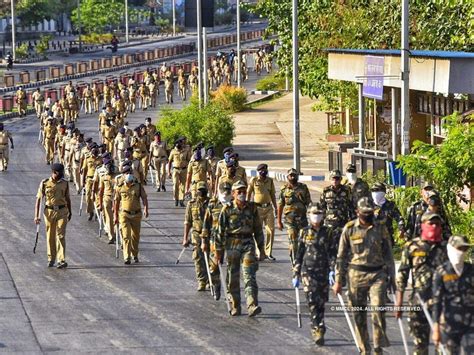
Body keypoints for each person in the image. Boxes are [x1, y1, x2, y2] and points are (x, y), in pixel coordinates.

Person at [333, 197, 395, 355]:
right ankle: (364, 349)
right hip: (356, 274)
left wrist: (393, 277)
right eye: (365, 212)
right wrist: (338, 280)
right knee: (358, 314)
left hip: (377, 274)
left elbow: (388, 253)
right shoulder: (349, 229)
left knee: (378, 309)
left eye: (370, 212)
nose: (368, 215)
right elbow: (341, 256)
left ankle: (377, 345)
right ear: (357, 212)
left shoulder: (380, 228)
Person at [395, 212, 448, 355]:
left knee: (443, 346)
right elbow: (402, 275)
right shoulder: (412, 246)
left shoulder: (446, 248)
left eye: (437, 224)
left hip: (442, 303)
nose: (435, 226)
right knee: (420, 346)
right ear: (422, 225)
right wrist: (399, 302)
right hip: (418, 302)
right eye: (431, 223)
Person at [215, 181, 265, 317]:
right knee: (233, 277)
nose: (242, 194)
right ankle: (235, 305)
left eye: (244, 191)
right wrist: (218, 253)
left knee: (249, 274)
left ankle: (252, 304)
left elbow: (258, 229)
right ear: (233, 194)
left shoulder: (252, 208)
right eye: (239, 192)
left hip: (248, 243)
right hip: (232, 244)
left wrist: (262, 249)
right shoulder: (227, 209)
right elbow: (219, 232)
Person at [293, 203, 335, 345]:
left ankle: (320, 324)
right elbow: (299, 253)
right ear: (308, 215)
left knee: (321, 301)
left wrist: (333, 270)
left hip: (323, 271)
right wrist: (296, 272)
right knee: (311, 300)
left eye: (318, 213)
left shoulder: (328, 232)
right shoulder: (304, 232)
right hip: (308, 271)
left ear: (322, 215)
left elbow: (333, 253)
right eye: (313, 213)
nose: (316, 216)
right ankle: (316, 327)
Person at [432, 235, 473, 355]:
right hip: (449, 325)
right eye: (459, 248)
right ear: (451, 249)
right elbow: (437, 301)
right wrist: (436, 328)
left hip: (470, 324)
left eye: (464, 249)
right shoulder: (442, 272)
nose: (462, 252)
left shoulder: (471, 270)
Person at [34, 163, 72, 268]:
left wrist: (70, 211)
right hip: (49, 212)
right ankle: (51, 258)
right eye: (60, 172)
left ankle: (61, 259)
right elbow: (39, 199)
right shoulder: (45, 183)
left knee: (61, 235)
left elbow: (68, 198)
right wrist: (36, 216)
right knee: (50, 235)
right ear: (54, 172)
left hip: (62, 211)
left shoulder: (65, 183)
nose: (62, 174)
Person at [202, 182, 233, 300]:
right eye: (223, 190)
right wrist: (204, 241)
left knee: (232, 267)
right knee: (214, 267)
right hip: (215, 240)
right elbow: (206, 223)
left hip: (231, 240)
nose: (225, 193)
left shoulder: (234, 204)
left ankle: (230, 292)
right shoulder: (213, 204)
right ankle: (216, 284)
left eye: (228, 190)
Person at [113, 166, 149, 264]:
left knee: (135, 236)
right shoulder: (120, 187)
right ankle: (127, 257)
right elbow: (116, 202)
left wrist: (146, 209)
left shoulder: (138, 186)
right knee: (126, 236)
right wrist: (115, 216)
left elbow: (144, 198)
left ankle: (135, 254)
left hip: (136, 214)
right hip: (124, 214)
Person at [277, 168, 312, 263]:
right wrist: (279, 221)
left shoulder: (303, 187)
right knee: (293, 243)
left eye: (294, 175)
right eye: (290, 175)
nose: (292, 177)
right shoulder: (284, 189)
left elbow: (309, 203)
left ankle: (302, 262)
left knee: (304, 242)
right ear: (287, 177)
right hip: (290, 221)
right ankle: (295, 263)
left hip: (302, 221)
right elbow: (280, 205)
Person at [183, 182, 210, 291]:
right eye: (200, 190)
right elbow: (187, 221)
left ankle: (210, 279)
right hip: (196, 233)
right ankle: (201, 281)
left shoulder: (211, 203)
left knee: (210, 258)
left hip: (210, 234)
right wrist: (185, 238)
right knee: (198, 257)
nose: (201, 192)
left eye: (203, 190)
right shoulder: (191, 203)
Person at [247, 163, 277, 260]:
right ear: (258, 171)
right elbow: (248, 193)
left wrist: (276, 208)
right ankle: (259, 253)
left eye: (265, 169)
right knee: (258, 231)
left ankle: (268, 253)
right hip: (257, 208)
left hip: (268, 208)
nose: (264, 171)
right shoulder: (254, 180)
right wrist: (247, 207)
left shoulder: (270, 181)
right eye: (261, 170)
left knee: (271, 230)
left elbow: (273, 195)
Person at [319, 169, 352, 257]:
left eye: (337, 179)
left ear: (340, 179)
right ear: (330, 179)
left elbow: (351, 206)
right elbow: (322, 207)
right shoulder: (326, 191)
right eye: (333, 179)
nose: (335, 181)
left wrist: (352, 221)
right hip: (330, 223)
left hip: (343, 222)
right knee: (330, 245)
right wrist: (320, 224)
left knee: (343, 245)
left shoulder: (346, 190)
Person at [98, 157, 117, 244]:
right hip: (107, 198)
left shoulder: (118, 177)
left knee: (116, 218)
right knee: (109, 218)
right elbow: (101, 191)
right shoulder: (103, 177)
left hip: (116, 198)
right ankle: (111, 236)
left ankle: (117, 233)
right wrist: (100, 203)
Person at [168, 138, 191, 207]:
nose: (179, 144)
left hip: (184, 170)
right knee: (175, 184)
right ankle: (176, 199)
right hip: (175, 170)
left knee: (183, 185)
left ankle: (181, 200)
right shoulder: (173, 151)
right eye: (177, 143)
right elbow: (169, 162)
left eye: (180, 143)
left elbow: (189, 160)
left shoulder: (186, 151)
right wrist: (168, 171)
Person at [82, 147, 102, 221]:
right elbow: (85, 169)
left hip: (98, 180)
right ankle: (91, 212)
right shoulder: (87, 158)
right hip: (89, 179)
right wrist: (83, 180)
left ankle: (97, 211)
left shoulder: (101, 159)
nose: (95, 153)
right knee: (88, 196)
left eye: (96, 152)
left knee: (97, 196)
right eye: (93, 152)